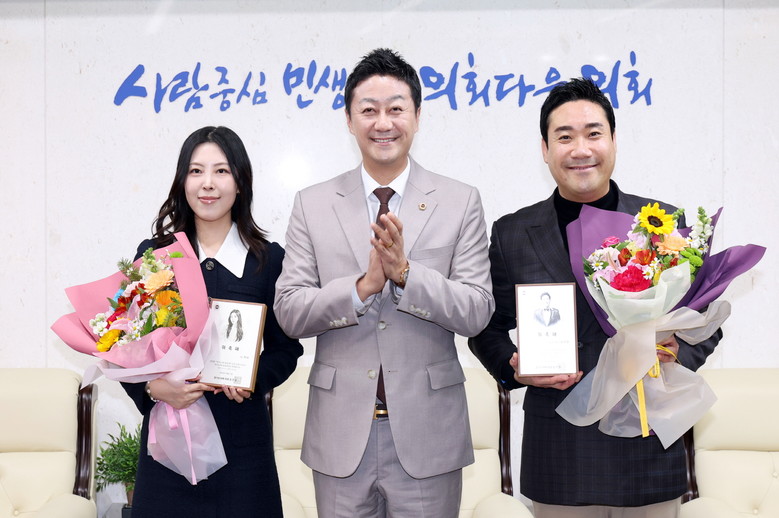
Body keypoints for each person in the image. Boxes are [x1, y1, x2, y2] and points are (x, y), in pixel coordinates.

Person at [468, 78, 722, 518]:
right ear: (545, 148)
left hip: (646, 444)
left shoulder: (661, 222)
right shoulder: (513, 233)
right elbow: (485, 325)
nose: (580, 149)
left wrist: (677, 350)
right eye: (565, 137)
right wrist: (514, 365)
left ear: (613, 140)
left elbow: (706, 317)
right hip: (560, 449)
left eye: (593, 133)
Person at [274, 48, 494, 518]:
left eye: (396, 108)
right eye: (369, 110)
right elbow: (290, 310)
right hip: (340, 436)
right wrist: (363, 287)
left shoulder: (460, 200)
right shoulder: (313, 203)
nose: (383, 123)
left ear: (417, 115)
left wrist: (406, 275)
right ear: (349, 119)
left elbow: (477, 309)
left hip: (429, 435)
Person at [121, 126, 303, 518]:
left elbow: (287, 349)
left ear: (240, 182)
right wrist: (153, 389)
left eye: (221, 171)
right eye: (196, 171)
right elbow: (125, 345)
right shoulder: (156, 255)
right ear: (182, 181)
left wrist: (252, 379)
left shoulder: (268, 260)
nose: (208, 183)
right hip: (169, 448)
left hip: (243, 451)